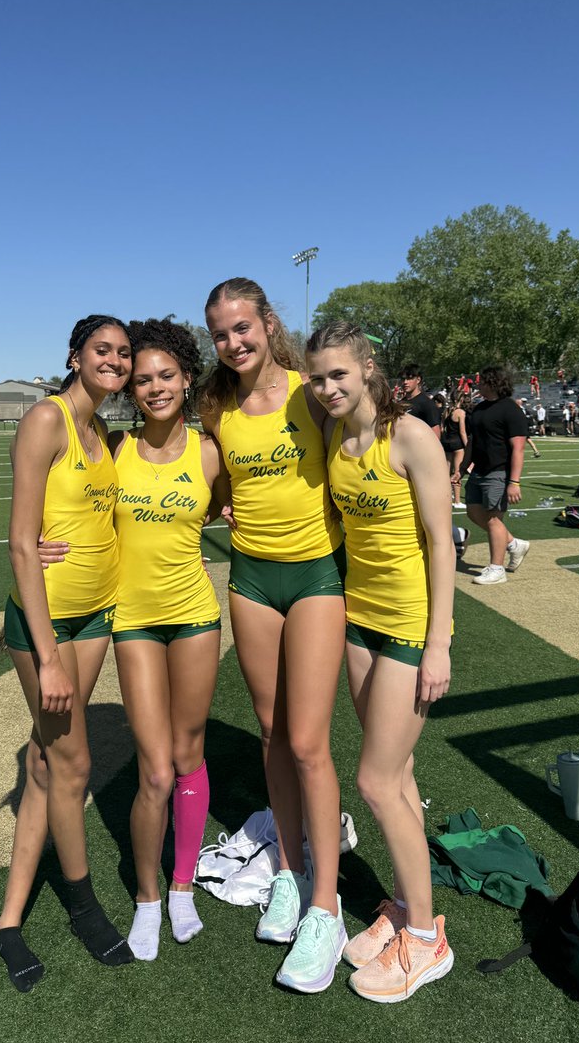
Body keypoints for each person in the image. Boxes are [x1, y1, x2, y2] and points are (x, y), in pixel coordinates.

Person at [200, 277, 347, 994]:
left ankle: (327, 908)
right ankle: (289, 870)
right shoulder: (215, 406)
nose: (233, 343)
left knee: (309, 742)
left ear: (267, 323)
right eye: (220, 334)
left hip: (316, 576)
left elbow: (361, 457)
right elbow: (205, 487)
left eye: (242, 327)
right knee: (270, 733)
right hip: (251, 581)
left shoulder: (308, 392)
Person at [305, 323, 454, 1002]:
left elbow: (442, 544)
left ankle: (426, 940)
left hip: (409, 628)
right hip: (359, 623)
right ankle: (402, 901)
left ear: (368, 367)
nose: (327, 387)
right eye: (318, 377)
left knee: (375, 779)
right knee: (400, 772)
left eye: (339, 373)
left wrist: (438, 643)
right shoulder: (335, 435)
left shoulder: (411, 436)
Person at [0, 315, 135, 991]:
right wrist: (47, 655)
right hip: (46, 624)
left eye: (124, 353)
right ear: (75, 356)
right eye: (102, 350)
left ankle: (9, 921)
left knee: (46, 763)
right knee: (73, 763)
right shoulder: (46, 419)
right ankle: (83, 906)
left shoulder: (103, 431)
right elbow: (21, 542)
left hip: (97, 615)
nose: (115, 361)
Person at [107, 319, 226, 960]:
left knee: (188, 753)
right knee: (153, 770)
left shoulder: (210, 451)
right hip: (133, 621)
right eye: (143, 379)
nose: (155, 387)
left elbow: (237, 506)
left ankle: (183, 885)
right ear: (131, 389)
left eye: (166, 376)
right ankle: (147, 898)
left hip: (195, 617)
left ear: (186, 379)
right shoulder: (114, 449)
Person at [460, 368, 530, 585]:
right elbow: (472, 442)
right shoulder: (479, 409)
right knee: (473, 512)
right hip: (479, 470)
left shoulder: (511, 410)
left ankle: (497, 569)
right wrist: (461, 468)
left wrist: (514, 482)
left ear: (493, 383)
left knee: (493, 520)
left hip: (499, 471)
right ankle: (513, 544)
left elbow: (518, 448)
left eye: (481, 381)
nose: (477, 385)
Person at [440, 393, 468, 509]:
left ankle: (445, 499)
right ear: (460, 399)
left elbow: (442, 429)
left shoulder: (446, 411)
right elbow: (462, 432)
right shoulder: (460, 412)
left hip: (446, 443)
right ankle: (457, 501)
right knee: (457, 472)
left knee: (446, 473)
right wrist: (467, 446)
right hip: (457, 444)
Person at [399, 365, 441, 438]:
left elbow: (436, 434)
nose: (405, 382)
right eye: (403, 379)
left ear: (418, 380)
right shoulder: (400, 403)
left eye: (409, 378)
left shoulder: (427, 403)